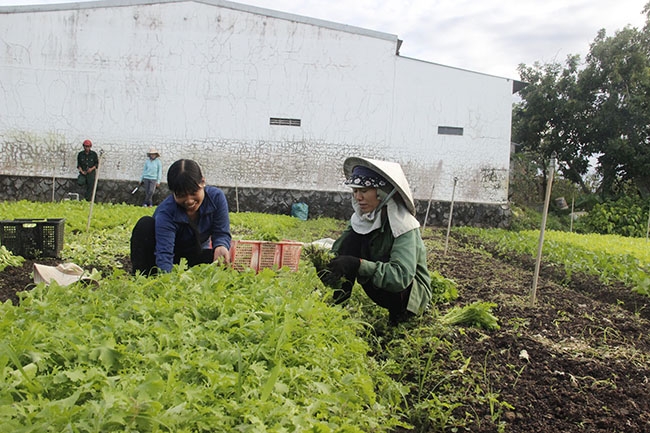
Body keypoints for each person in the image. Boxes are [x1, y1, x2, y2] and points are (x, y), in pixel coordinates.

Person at [320, 157, 432, 325]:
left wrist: (358, 264)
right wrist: (327, 265)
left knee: (353, 261)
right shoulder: (364, 219)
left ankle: (401, 318)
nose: (358, 197)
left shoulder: (404, 226)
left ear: (382, 193)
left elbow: (400, 277)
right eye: (355, 191)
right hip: (381, 287)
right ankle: (338, 305)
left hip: (408, 296)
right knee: (350, 243)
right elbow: (340, 251)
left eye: (364, 191)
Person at [129, 159, 231, 275]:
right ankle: (142, 277)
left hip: (193, 255)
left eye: (193, 192)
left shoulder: (216, 198)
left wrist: (221, 245)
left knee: (220, 256)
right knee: (145, 224)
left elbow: (221, 232)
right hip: (168, 257)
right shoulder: (166, 212)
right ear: (173, 193)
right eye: (181, 195)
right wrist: (166, 281)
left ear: (202, 182)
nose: (189, 200)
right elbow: (164, 253)